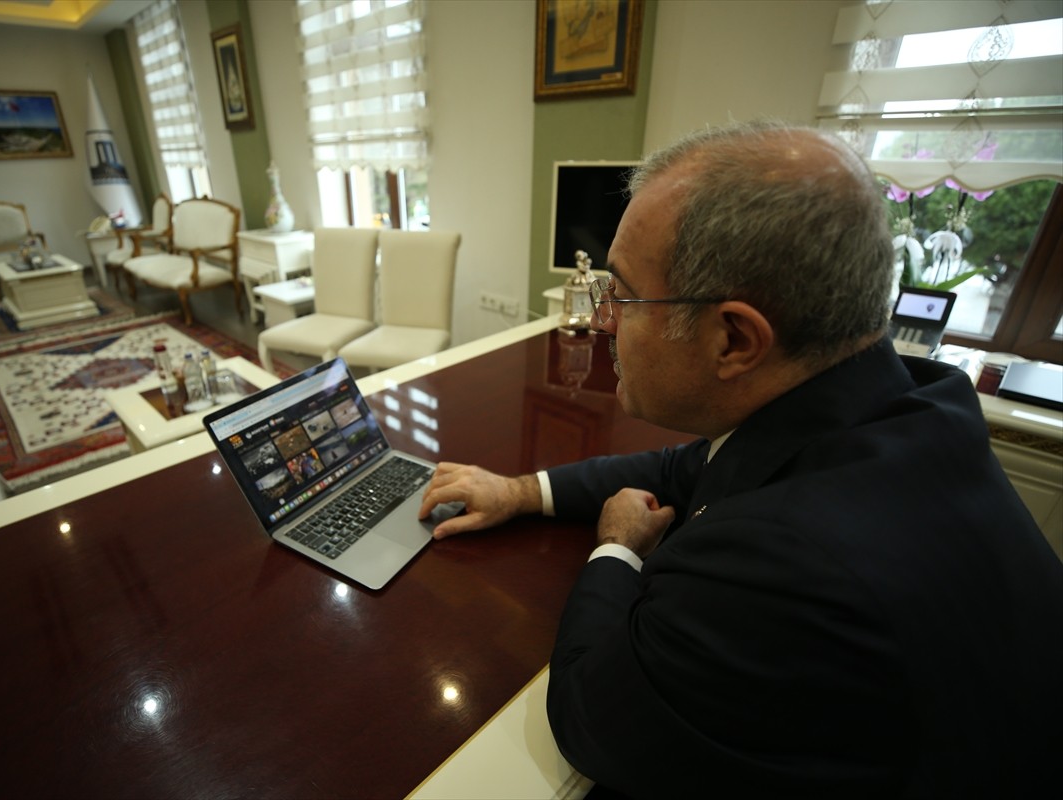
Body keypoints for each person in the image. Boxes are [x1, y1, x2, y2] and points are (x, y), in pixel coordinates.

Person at [417, 121, 1063, 798]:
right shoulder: (897, 402)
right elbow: (684, 469)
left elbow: (592, 721)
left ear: (734, 339)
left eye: (625, 295)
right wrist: (519, 491)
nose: (604, 319)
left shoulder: (779, 561)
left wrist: (615, 550)